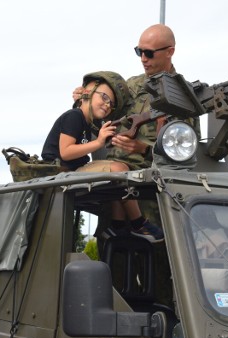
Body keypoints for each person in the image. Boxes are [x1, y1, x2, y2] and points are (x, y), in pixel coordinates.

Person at [74, 24, 190, 243]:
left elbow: (185, 154)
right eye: (139, 51)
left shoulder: (184, 96)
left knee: (159, 269)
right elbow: (99, 119)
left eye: (149, 53)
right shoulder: (130, 86)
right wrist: (85, 100)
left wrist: (144, 149)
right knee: (111, 267)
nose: (143, 59)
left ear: (170, 51)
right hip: (114, 191)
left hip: (152, 197)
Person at [41, 71, 127, 171]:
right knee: (118, 169)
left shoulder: (89, 122)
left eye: (111, 104)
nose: (107, 105)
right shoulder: (74, 116)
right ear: (86, 93)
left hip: (73, 169)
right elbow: (65, 153)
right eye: (104, 97)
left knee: (122, 167)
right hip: (60, 171)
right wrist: (99, 142)